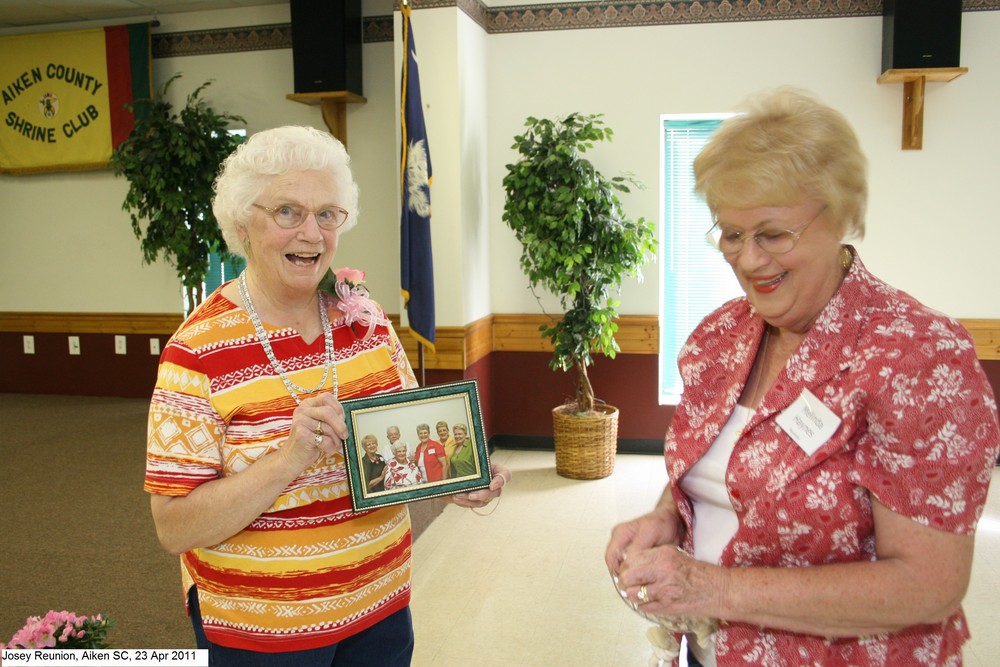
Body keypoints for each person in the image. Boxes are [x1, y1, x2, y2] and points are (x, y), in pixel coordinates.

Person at [605, 88, 1000, 667]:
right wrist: (666, 515)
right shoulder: (720, 337)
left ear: (839, 217)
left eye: (772, 234)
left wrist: (716, 589)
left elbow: (929, 584)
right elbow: (718, 467)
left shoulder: (916, 358)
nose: (747, 260)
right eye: (731, 234)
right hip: (711, 651)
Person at [144, 125, 511, 666]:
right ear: (244, 222)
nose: (312, 234)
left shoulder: (365, 320)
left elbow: (402, 448)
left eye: (327, 213)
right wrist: (289, 458)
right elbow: (174, 528)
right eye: (288, 212)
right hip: (264, 631)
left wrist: (453, 477)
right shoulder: (196, 350)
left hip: (381, 607)